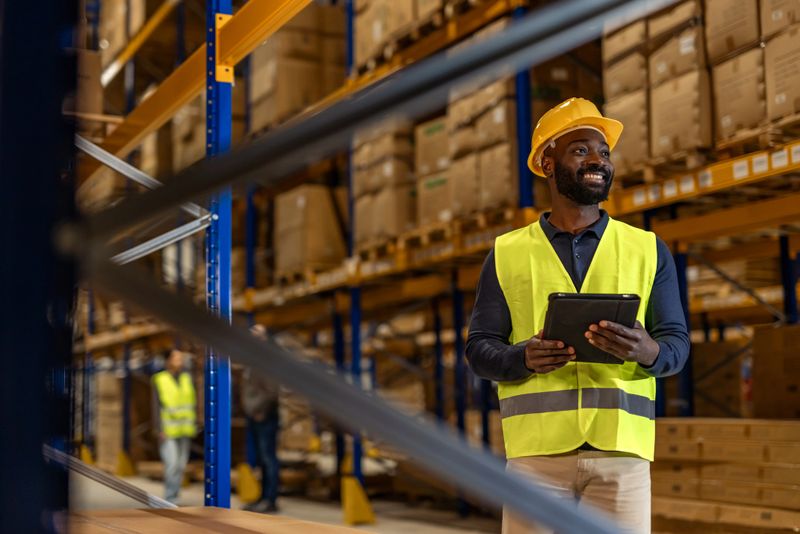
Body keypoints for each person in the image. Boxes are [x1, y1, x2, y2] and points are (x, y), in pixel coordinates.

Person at [465, 97, 690, 534]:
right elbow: (479, 349)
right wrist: (522, 357)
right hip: (536, 460)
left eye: (604, 153)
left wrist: (647, 350)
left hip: (621, 455)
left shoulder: (647, 248)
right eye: (581, 150)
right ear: (548, 162)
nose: (598, 162)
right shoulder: (507, 253)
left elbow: (677, 345)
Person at [241, 324, 281, 513]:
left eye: (256, 332)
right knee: (260, 459)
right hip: (254, 415)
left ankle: (270, 499)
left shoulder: (268, 360)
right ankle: (262, 497)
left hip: (265, 416)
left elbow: (272, 391)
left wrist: (261, 410)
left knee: (268, 458)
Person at [152, 349, 197, 504]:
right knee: (171, 465)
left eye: (181, 358)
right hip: (168, 430)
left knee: (180, 465)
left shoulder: (187, 377)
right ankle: (170, 498)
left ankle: (175, 497)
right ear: (168, 361)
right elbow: (156, 406)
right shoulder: (159, 379)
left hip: (185, 429)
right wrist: (159, 429)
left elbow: (192, 402)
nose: (180, 361)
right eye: (177, 358)